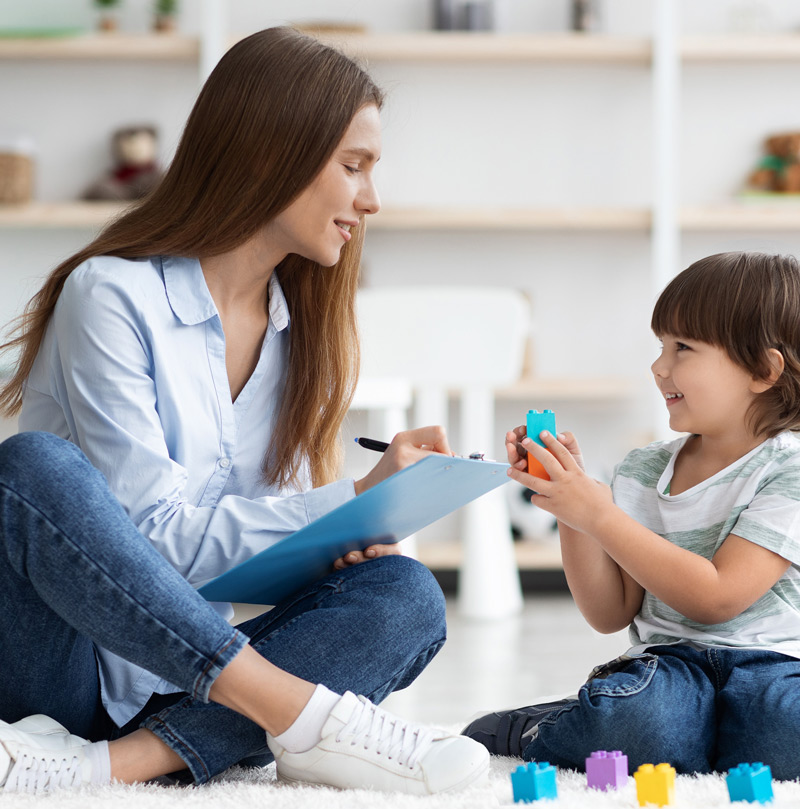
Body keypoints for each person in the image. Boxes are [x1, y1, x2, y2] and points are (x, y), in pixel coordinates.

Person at [0, 27, 489, 795]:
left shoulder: (303, 337)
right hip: (60, 673)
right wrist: (346, 504)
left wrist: (349, 533)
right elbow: (150, 541)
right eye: (353, 166)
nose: (372, 198)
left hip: (182, 690)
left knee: (407, 594)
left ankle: (119, 765)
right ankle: (298, 716)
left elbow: (251, 573)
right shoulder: (111, 295)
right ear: (272, 155)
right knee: (31, 469)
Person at [464, 251, 800, 781]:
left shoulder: (790, 469)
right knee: (639, 723)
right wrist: (574, 511)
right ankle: (536, 729)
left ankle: (706, 736)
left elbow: (716, 597)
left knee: (786, 729)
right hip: (670, 667)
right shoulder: (642, 470)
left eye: (683, 348)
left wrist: (599, 515)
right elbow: (609, 613)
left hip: (778, 667)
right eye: (661, 346)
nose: (658, 366)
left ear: (763, 369)